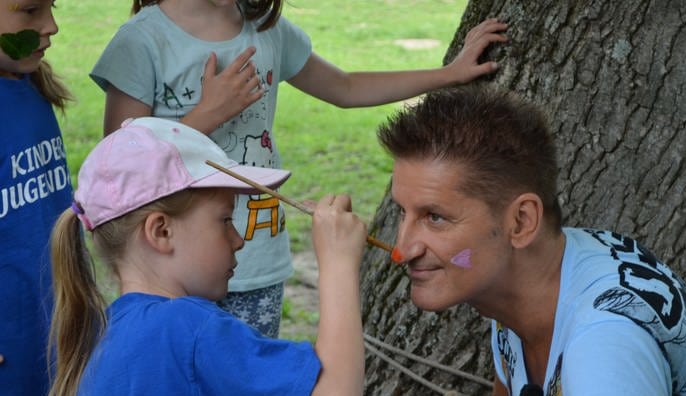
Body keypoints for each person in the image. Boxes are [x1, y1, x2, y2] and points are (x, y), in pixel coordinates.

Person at [88, 0, 509, 337]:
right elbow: (120, 164)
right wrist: (205, 115)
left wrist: (449, 74)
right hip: (172, 266)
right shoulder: (141, 41)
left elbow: (345, 87)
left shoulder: (266, 30)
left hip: (257, 259)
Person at [378, 85, 686, 396]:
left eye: (435, 217)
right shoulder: (523, 283)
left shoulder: (604, 346)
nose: (403, 248)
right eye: (402, 212)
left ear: (521, 221)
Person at [46, 117, 367, 396]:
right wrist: (338, 262)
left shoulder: (105, 336)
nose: (239, 240)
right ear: (161, 231)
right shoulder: (187, 331)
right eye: (225, 220)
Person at [0, 0, 73, 396]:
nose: (52, 26)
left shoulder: (26, 83)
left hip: (52, 331)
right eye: (29, 10)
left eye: (51, 6)